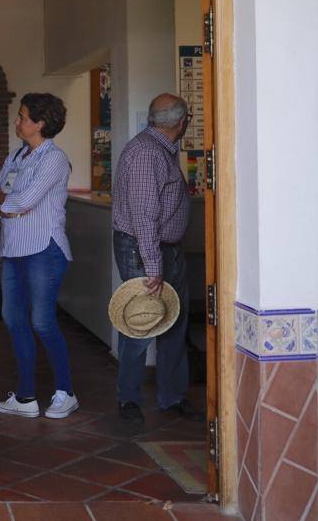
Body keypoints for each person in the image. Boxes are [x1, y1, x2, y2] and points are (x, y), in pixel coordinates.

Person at [111, 93, 203, 423]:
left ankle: (172, 395)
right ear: (181, 122)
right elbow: (144, 217)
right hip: (144, 248)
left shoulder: (161, 150)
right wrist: (153, 267)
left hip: (166, 248)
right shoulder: (147, 153)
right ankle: (130, 399)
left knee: (174, 321)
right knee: (141, 321)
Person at [0, 93, 78, 419]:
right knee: (13, 319)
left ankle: (65, 392)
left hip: (44, 249)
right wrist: (3, 200)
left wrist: (5, 202)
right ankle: (25, 397)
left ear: (40, 123)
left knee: (42, 322)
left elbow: (24, 200)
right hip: (13, 249)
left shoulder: (53, 159)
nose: (17, 122)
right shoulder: (17, 156)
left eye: (23, 117)